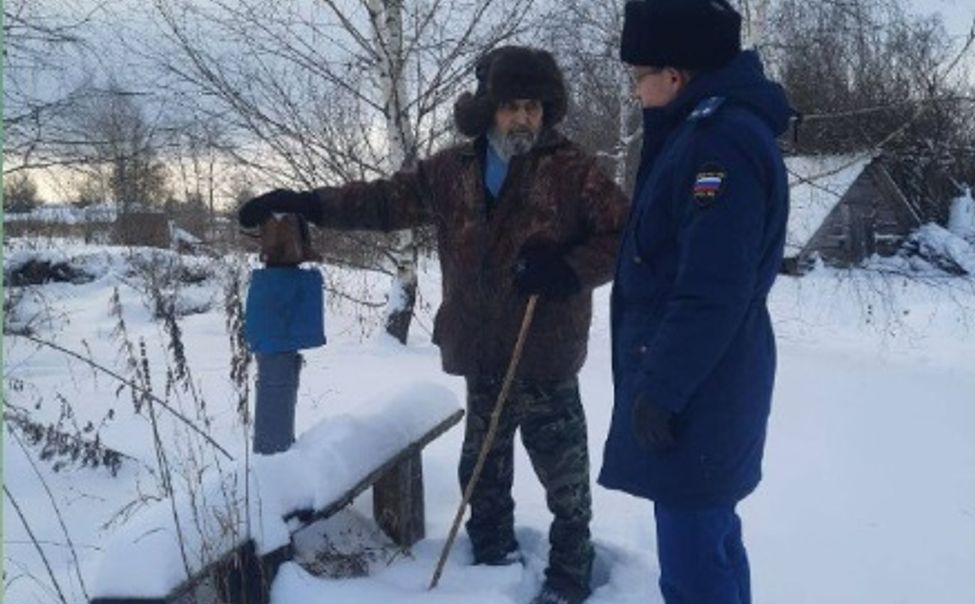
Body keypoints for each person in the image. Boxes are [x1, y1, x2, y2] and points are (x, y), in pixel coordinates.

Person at [238, 45, 629, 604]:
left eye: (535, 107)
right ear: (489, 107)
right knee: (482, 477)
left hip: (544, 354)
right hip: (482, 352)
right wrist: (305, 203)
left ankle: (569, 576)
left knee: (566, 484)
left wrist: (568, 269)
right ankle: (493, 565)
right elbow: (382, 202)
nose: (524, 117)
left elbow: (623, 236)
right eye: (513, 105)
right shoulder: (453, 171)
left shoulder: (573, 171)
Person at [597, 1, 792, 603]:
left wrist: (662, 390)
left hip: (701, 388)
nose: (636, 93)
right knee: (710, 538)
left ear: (675, 76)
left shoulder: (719, 147)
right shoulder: (700, 134)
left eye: (639, 77)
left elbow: (712, 289)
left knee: (692, 560)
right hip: (704, 379)